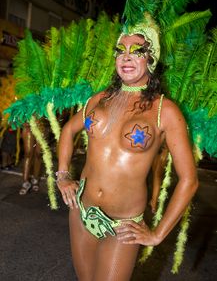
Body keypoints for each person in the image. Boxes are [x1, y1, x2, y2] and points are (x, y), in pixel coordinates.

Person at [56, 30, 198, 281]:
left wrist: (157, 234)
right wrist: (63, 174)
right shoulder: (100, 99)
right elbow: (68, 131)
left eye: (137, 51)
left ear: (151, 60)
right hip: (81, 211)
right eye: (120, 51)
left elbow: (189, 180)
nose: (126, 57)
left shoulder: (164, 111)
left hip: (123, 227)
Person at [19, 123, 42, 195]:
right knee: (28, 153)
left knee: (38, 154)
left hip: (42, 125)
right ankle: (25, 182)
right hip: (28, 124)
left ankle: (35, 179)